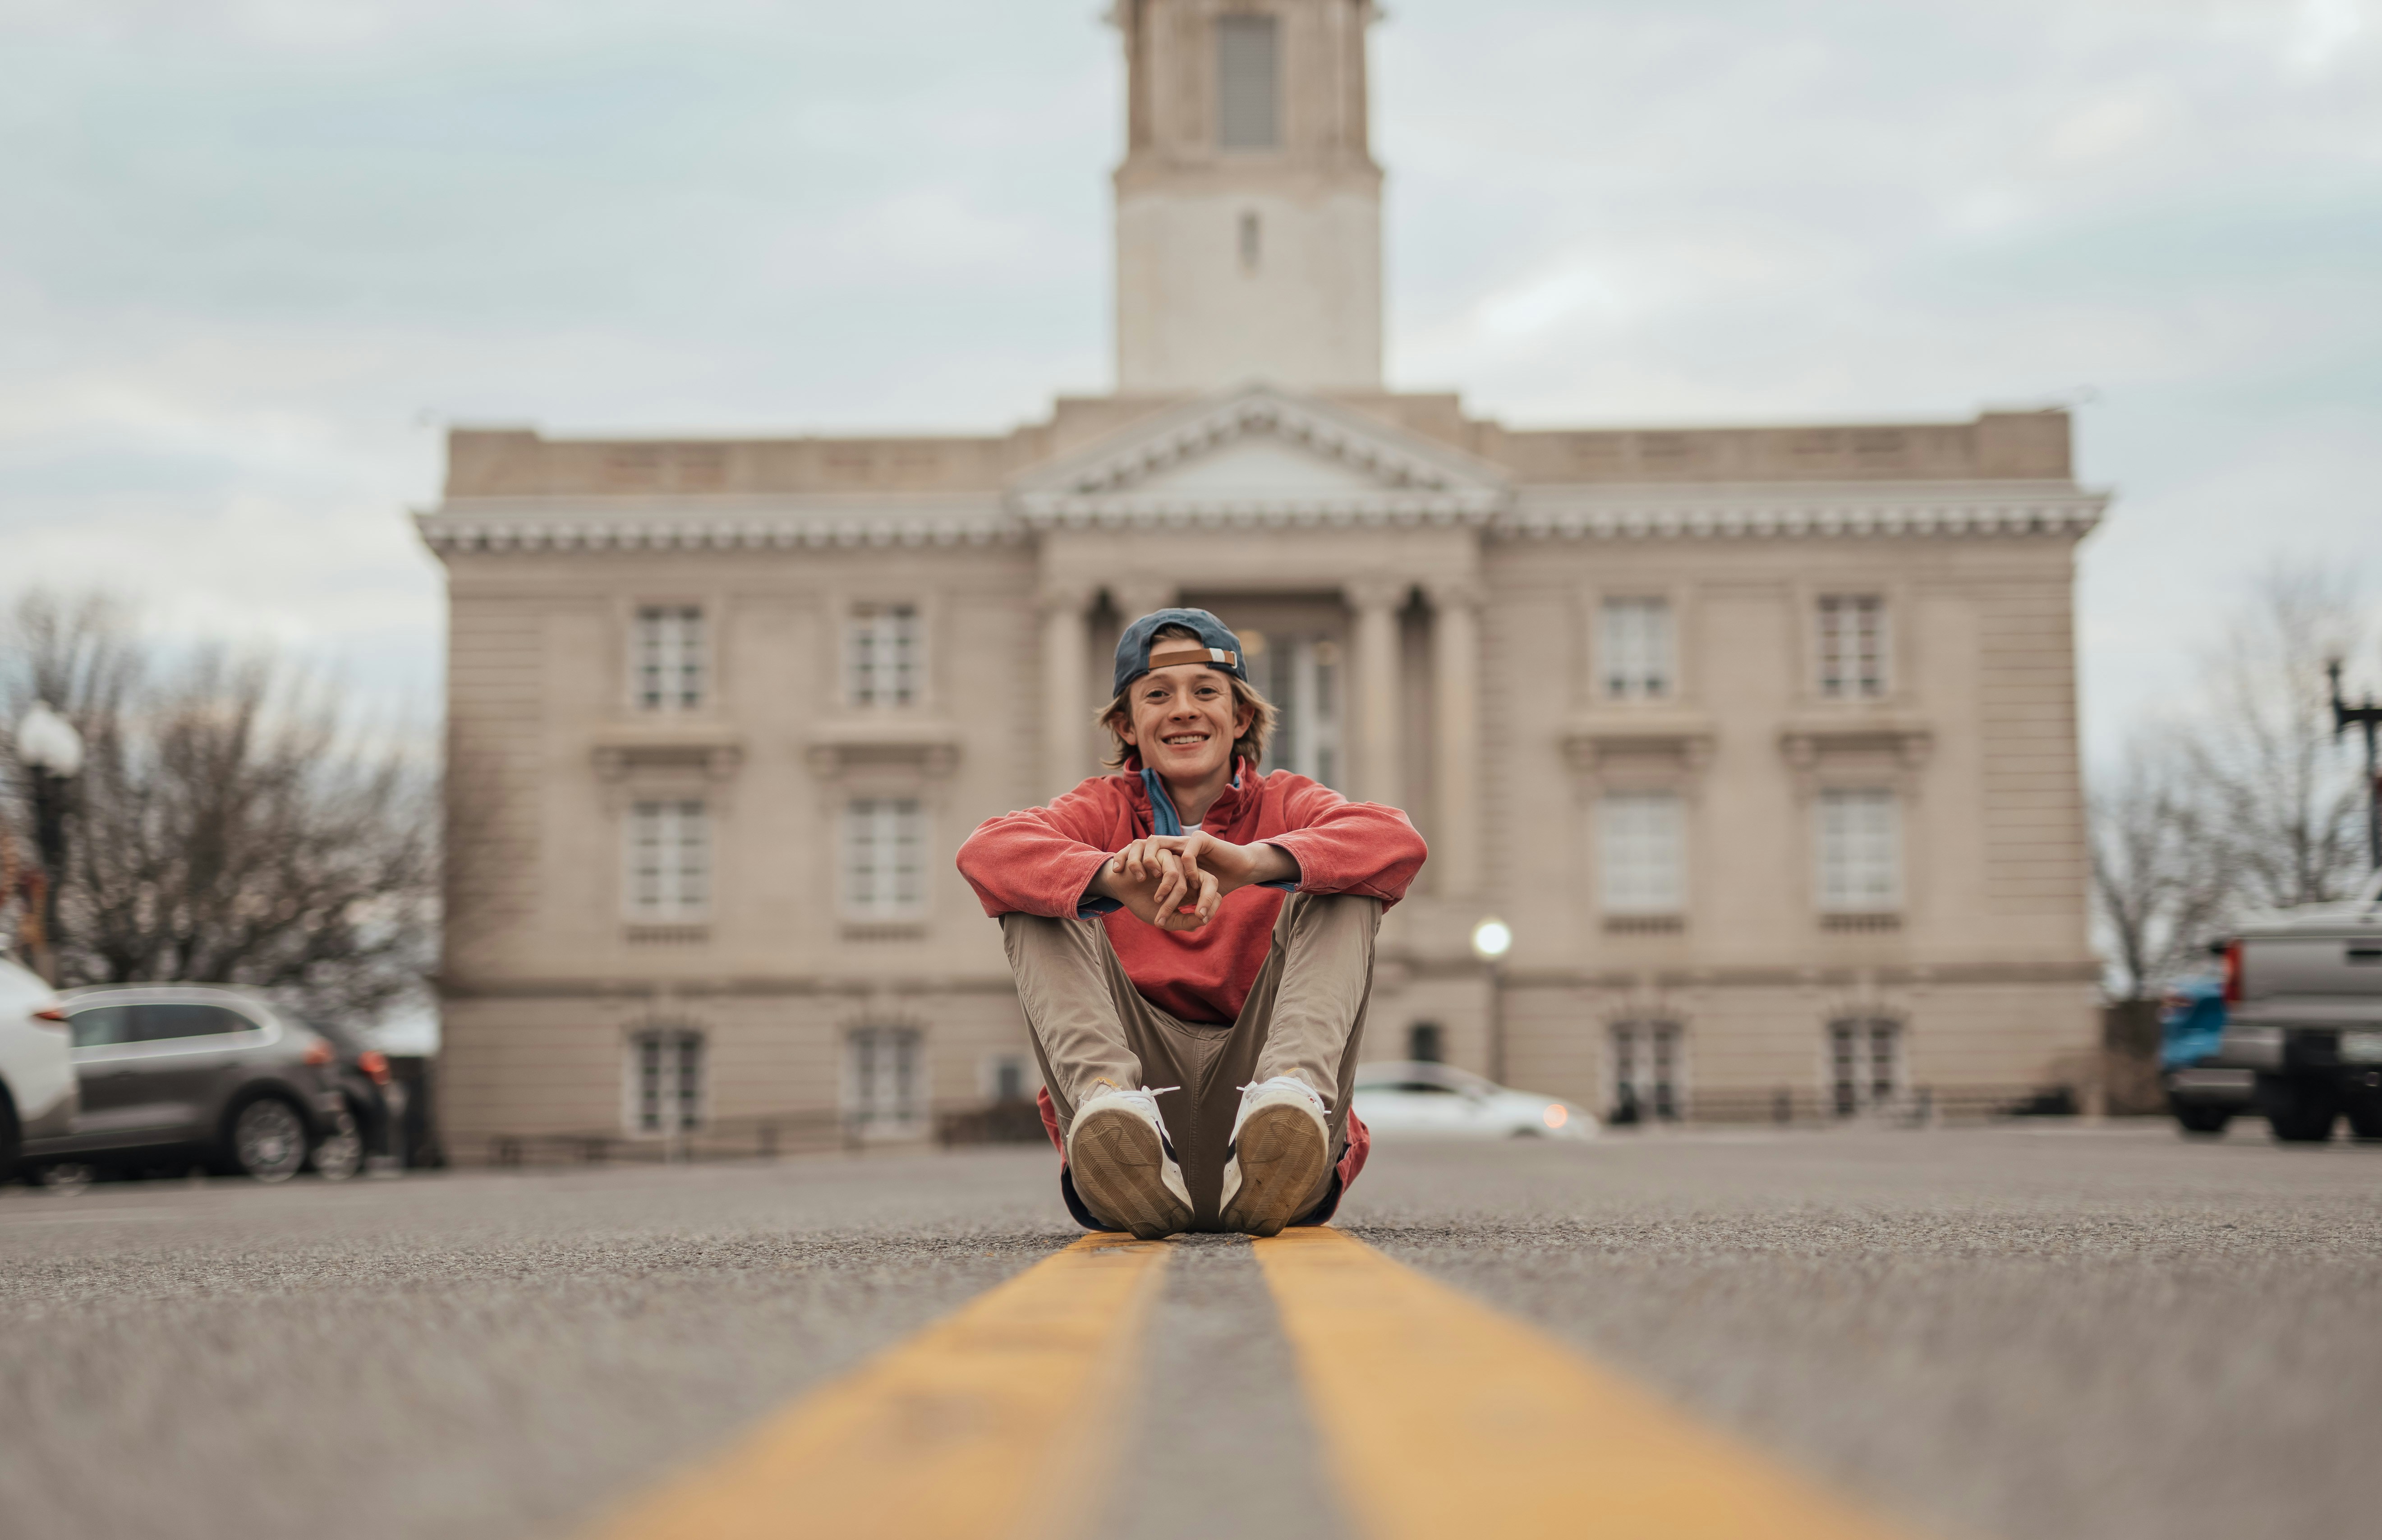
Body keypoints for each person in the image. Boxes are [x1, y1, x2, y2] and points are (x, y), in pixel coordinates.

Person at [957, 608, 1428, 1238]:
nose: (1183, 709)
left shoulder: (1287, 802)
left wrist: (1256, 865)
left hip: (1275, 1131)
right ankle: (1107, 1104)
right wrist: (1109, 879)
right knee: (1034, 886)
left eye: (1205, 692)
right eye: (1158, 696)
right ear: (1127, 725)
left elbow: (1396, 839)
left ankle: (1290, 1094)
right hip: (1130, 1147)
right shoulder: (1100, 810)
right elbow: (985, 851)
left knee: (1341, 877)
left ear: (1240, 719)